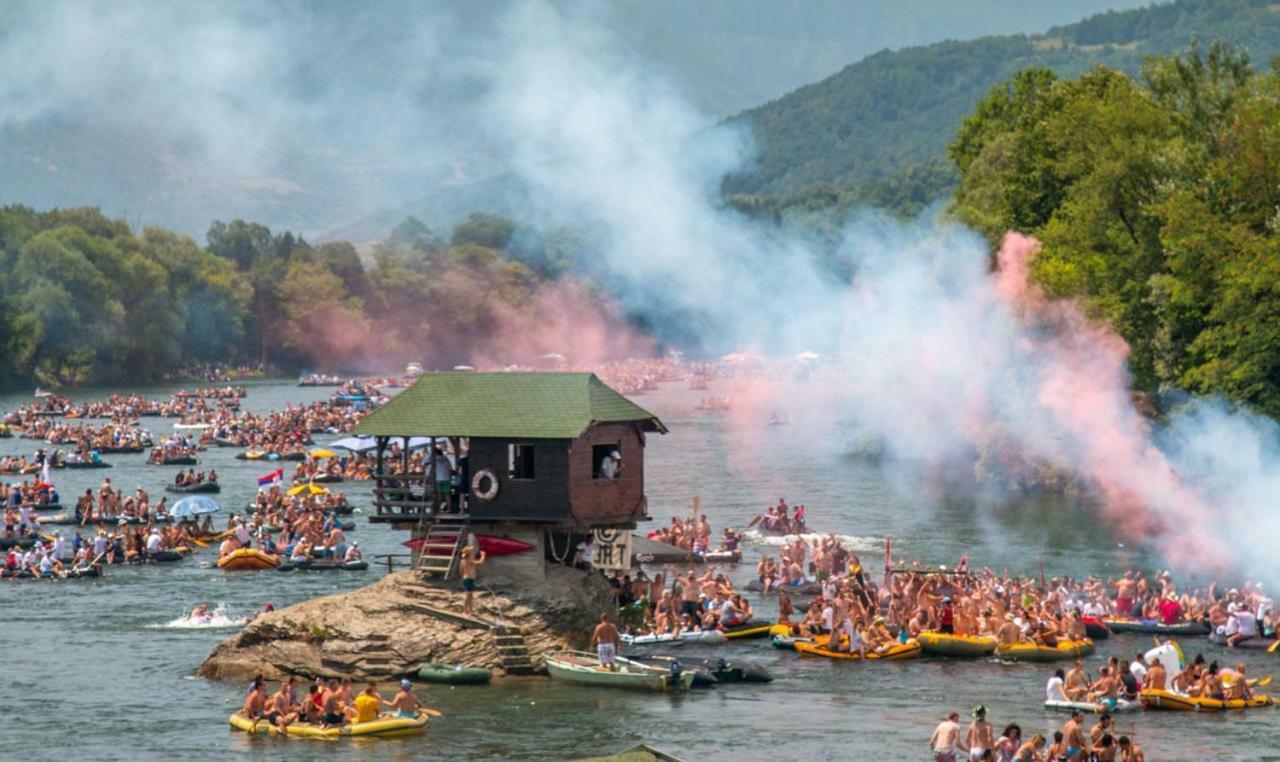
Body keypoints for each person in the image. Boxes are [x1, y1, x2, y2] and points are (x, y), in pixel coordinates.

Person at [459, 545, 486, 617]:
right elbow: (480, 562)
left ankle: (471, 611)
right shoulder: (468, 561)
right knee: (467, 596)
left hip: (467, 579)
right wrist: (483, 555)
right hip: (469, 579)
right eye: (471, 552)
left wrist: (465, 575)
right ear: (468, 553)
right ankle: (464, 611)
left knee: (470, 596)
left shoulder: (462, 560)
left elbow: (461, 570)